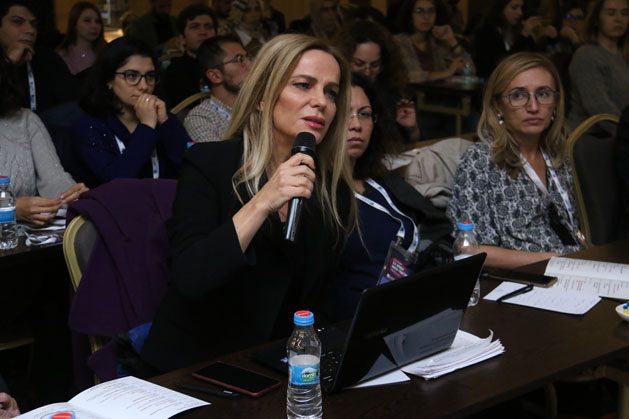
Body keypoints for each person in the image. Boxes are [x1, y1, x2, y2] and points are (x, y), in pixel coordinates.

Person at [140, 33, 356, 372]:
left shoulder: (330, 189)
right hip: (194, 366)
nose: (321, 103)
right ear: (261, 98)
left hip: (276, 365)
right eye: (303, 85)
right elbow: (191, 278)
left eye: (331, 92)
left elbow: (324, 298)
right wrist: (264, 200)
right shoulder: (208, 164)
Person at [324, 74, 452, 321]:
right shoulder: (320, 195)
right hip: (359, 321)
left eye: (364, 114)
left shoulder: (381, 181)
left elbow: (434, 228)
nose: (356, 125)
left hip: (420, 305)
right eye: (345, 114)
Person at [447, 52, 583, 268]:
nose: (533, 107)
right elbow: (469, 250)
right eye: (518, 95)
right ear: (498, 106)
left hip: (570, 268)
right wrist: (556, 261)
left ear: (556, 104)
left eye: (543, 94)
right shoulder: (480, 159)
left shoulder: (557, 155)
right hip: (517, 277)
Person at [71, 36, 190, 188]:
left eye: (150, 76)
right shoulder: (89, 127)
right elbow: (114, 183)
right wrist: (147, 127)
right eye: (132, 76)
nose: (144, 86)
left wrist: (167, 123)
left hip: (168, 201)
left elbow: (193, 169)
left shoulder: (164, 118)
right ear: (108, 79)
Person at [0, 52, 87, 225]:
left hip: (25, 237)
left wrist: (71, 195)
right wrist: (10, 208)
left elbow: (53, 179)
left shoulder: (26, 120)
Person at [335, 19, 420, 142]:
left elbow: (407, 143)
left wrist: (411, 129)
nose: (367, 72)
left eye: (375, 65)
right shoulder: (335, 92)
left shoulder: (392, 94)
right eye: (359, 63)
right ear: (344, 60)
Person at [0, 0, 78, 113]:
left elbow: (72, 106)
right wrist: (8, 62)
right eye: (18, 22)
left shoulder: (50, 60)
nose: (30, 30)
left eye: (34, 24)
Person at [568, 0, 629, 134]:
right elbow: (600, 109)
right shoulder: (586, 55)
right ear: (596, 19)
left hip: (620, 136)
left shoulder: (624, 56)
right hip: (592, 138)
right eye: (611, 13)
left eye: (625, 13)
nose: (619, 19)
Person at [184, 35, 252, 143]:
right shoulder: (201, 118)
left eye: (248, 57)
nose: (251, 64)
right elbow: (218, 155)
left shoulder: (261, 102)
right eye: (239, 59)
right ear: (215, 76)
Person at [393, 0, 469, 83]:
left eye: (431, 11)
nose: (426, 16)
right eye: (419, 11)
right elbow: (402, 76)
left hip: (440, 91)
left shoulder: (438, 42)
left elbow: (469, 70)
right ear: (410, 15)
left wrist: (452, 40)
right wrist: (447, 73)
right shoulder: (397, 42)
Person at [472, 0, 550, 79]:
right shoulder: (486, 32)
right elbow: (502, 65)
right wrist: (524, 35)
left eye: (521, 8)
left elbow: (534, 57)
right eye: (514, 8)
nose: (520, 13)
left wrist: (539, 38)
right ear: (500, 9)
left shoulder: (517, 30)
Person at [161, 4, 217, 108]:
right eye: (195, 27)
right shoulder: (175, 70)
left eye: (208, 26)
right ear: (182, 38)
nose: (203, 32)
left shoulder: (227, 64)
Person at [56, 1, 106, 76]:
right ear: (74, 24)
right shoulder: (63, 56)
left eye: (97, 21)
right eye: (87, 21)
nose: (94, 26)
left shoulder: (106, 52)